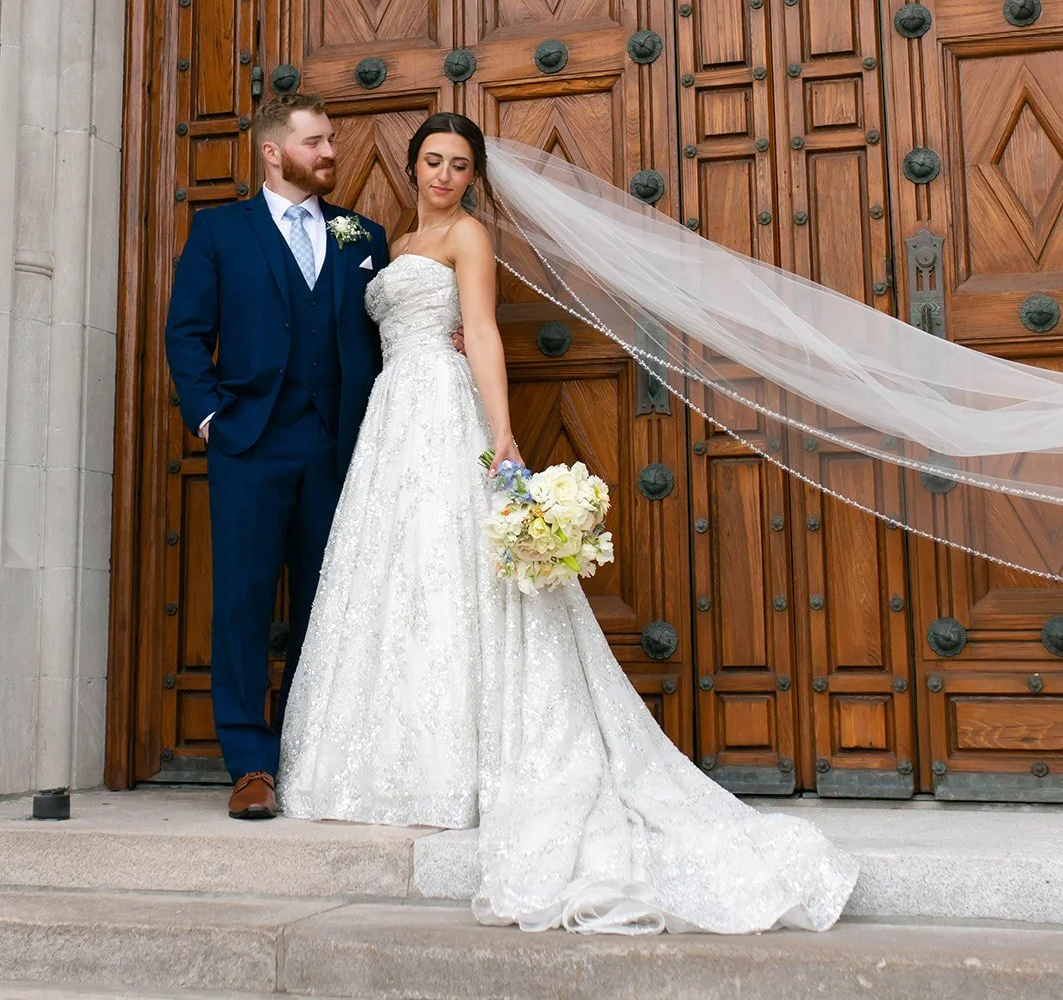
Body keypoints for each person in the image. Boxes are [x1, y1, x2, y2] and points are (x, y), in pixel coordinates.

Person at [277, 112, 859, 934]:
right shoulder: (388, 244)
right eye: (433, 161)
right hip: (388, 419)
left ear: (474, 177)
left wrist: (502, 432)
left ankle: (462, 765)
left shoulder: (469, 239)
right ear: (412, 168)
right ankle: (384, 760)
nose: (444, 175)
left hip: (443, 407)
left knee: (453, 569)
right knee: (396, 576)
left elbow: (479, 331)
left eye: (458, 165)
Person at [165, 95, 387, 821]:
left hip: (337, 449)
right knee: (243, 605)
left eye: (331, 140)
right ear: (273, 152)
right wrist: (208, 419)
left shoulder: (364, 236)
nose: (330, 152)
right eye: (316, 142)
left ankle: (302, 750)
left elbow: (384, 331)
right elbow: (187, 333)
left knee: (329, 609)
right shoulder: (220, 231)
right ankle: (251, 764)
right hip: (250, 447)